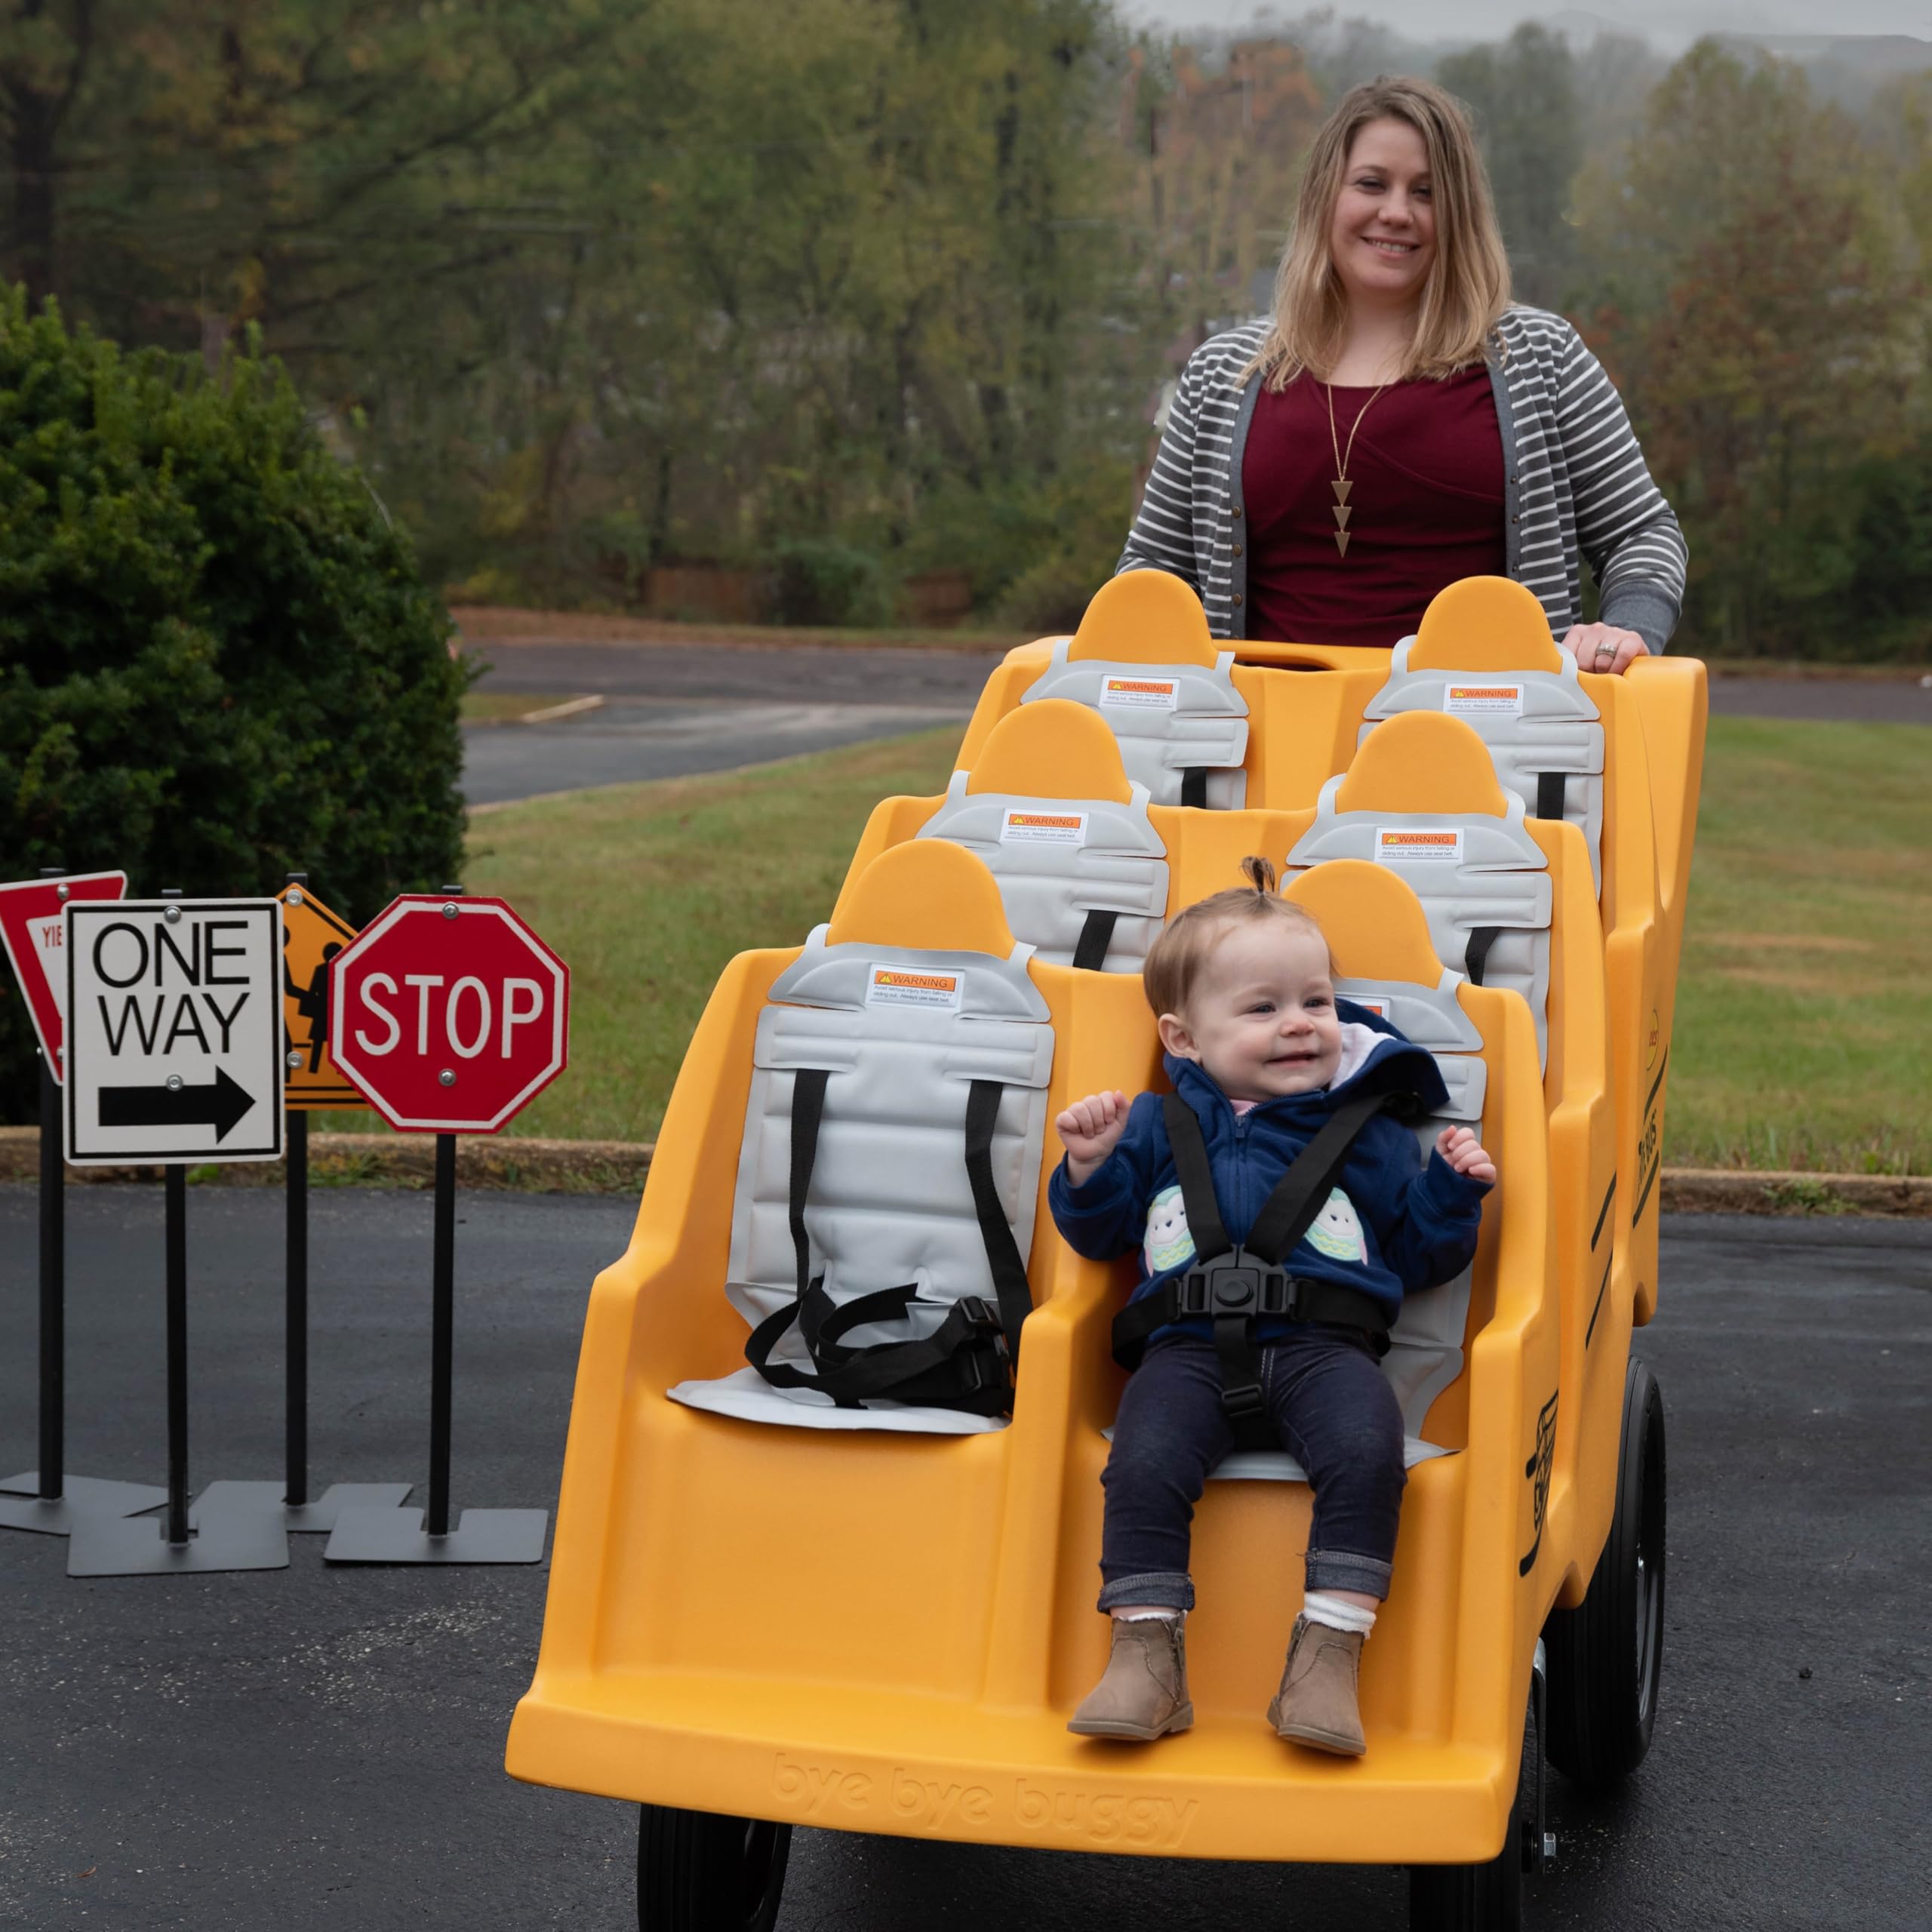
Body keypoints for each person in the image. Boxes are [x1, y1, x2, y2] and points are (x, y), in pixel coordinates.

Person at [1049, 859, 1494, 1755]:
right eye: (1261, 1010)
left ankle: (1327, 1654)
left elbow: (1417, 1256)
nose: (1299, 1026)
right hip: (1183, 1350)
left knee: (1369, 1452)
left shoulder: (1365, 1133)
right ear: (1182, 1039)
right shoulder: (1152, 1125)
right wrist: (1089, 1168)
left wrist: (1450, 1192)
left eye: (1318, 1004)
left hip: (1326, 1349)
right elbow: (1097, 1238)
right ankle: (1145, 1653)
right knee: (1140, 1462)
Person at [1119, 77, 1685, 676]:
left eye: (1426, 192)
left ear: (1458, 213)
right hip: (1261, 750)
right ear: (1323, 197)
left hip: (1488, 749)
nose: (1396, 212)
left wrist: (1626, 629)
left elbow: (1641, 532)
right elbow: (1153, 569)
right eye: (1371, 184)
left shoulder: (1543, 358)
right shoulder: (1221, 374)